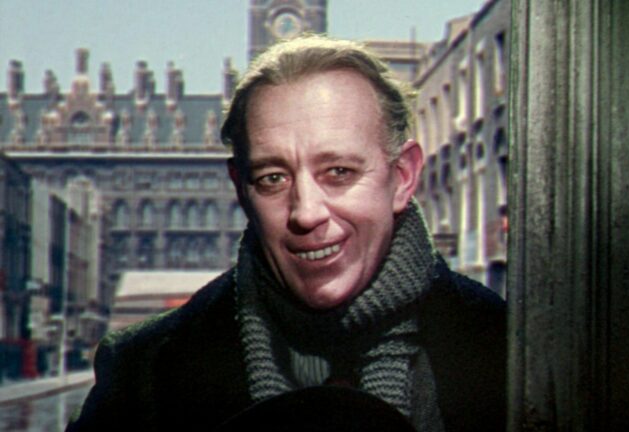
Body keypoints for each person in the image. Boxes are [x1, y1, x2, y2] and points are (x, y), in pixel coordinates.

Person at [67, 35, 506, 432]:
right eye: (273, 178)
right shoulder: (141, 372)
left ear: (403, 177)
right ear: (241, 189)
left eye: (339, 172)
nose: (306, 213)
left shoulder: (508, 349)